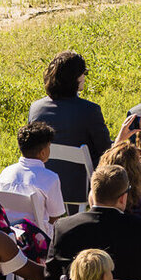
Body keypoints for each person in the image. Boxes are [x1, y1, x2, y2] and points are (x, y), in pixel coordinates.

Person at [26, 52, 111, 204]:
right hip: (80, 187)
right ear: (75, 78)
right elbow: (105, 149)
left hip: (42, 183)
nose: (84, 76)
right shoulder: (89, 110)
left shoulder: (36, 108)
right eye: (83, 73)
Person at [0, 123, 66, 228]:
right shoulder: (50, 178)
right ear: (43, 153)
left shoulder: (6, 172)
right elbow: (54, 217)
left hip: (7, 234)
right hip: (37, 239)